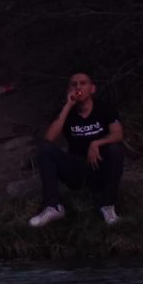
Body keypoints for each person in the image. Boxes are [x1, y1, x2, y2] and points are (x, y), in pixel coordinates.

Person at [29, 70, 127, 226]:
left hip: (99, 166)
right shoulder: (66, 112)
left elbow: (117, 134)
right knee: (45, 149)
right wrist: (68, 106)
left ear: (92, 88)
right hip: (75, 169)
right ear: (69, 90)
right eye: (73, 84)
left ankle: (108, 205)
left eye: (83, 83)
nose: (78, 87)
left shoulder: (105, 108)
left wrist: (96, 143)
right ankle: (53, 206)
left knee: (116, 149)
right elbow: (49, 139)